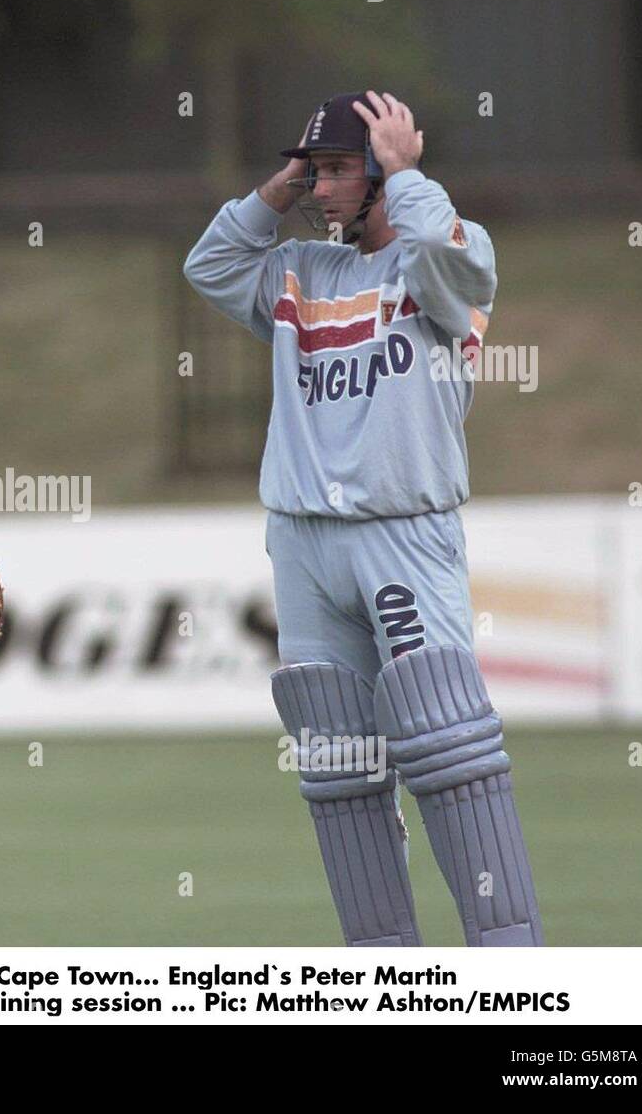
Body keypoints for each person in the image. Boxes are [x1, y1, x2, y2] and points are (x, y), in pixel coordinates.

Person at [183, 90, 543, 946]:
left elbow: (434, 245)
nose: (321, 189)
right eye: (316, 171)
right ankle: (385, 972)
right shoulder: (297, 269)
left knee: (449, 747)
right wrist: (285, 183)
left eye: (340, 170)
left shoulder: (444, 263)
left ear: (385, 176)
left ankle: (513, 967)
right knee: (338, 760)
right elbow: (208, 264)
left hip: (403, 532)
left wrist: (406, 171)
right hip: (304, 540)